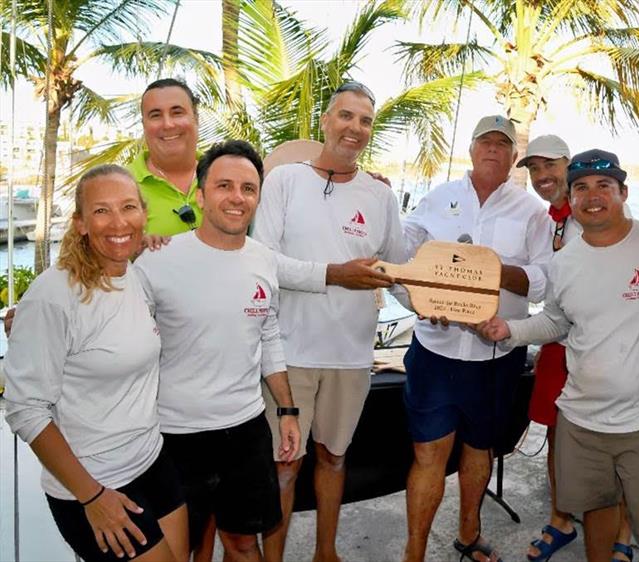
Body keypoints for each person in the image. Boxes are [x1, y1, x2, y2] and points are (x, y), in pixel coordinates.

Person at [479, 149, 639, 562]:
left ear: (623, 192)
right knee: (596, 516)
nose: (592, 196)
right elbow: (556, 321)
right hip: (582, 420)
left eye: (604, 186)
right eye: (581, 188)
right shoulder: (564, 262)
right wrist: (511, 330)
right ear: (570, 199)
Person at [251, 81, 406, 562]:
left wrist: (435, 304)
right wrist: (334, 275)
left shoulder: (381, 196)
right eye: (346, 116)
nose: (355, 128)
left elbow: (398, 273)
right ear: (325, 120)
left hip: (351, 356)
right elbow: (264, 263)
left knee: (334, 458)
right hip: (289, 355)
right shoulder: (284, 181)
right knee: (284, 466)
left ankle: (326, 552)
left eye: (365, 120)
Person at [3, 165, 188, 562]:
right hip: (94, 484)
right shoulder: (54, 295)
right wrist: (92, 495)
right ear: (80, 224)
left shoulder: (133, 276)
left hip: (153, 461)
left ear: (144, 214)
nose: (119, 222)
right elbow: (25, 409)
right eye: (102, 211)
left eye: (129, 208)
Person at [133, 140, 302, 562]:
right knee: (176, 552)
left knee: (244, 544)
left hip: (245, 432)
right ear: (201, 194)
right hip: (173, 436)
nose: (237, 197)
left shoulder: (265, 260)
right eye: (224, 185)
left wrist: (287, 410)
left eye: (248, 188)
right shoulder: (157, 261)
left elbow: (268, 336)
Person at [400, 115, 551, 562]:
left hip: (497, 354)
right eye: (485, 142)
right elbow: (399, 255)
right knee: (428, 452)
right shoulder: (437, 199)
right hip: (436, 349)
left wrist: (492, 270)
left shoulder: (530, 211)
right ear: (470, 148)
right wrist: (418, 304)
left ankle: (469, 532)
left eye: (503, 145)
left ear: (513, 159)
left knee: (479, 447)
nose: (493, 150)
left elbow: (545, 281)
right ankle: (414, 553)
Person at [517, 136, 633, 562]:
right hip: (557, 344)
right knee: (554, 435)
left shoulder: (603, 211)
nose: (543, 176)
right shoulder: (554, 219)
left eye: (551, 166)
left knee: (613, 440)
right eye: (534, 169)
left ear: (570, 165)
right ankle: (561, 518)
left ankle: (622, 532)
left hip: (601, 348)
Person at [129, 78, 203, 236]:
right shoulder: (122, 186)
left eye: (177, 113)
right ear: (144, 125)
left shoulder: (225, 176)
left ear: (196, 118)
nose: (168, 124)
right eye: (156, 115)